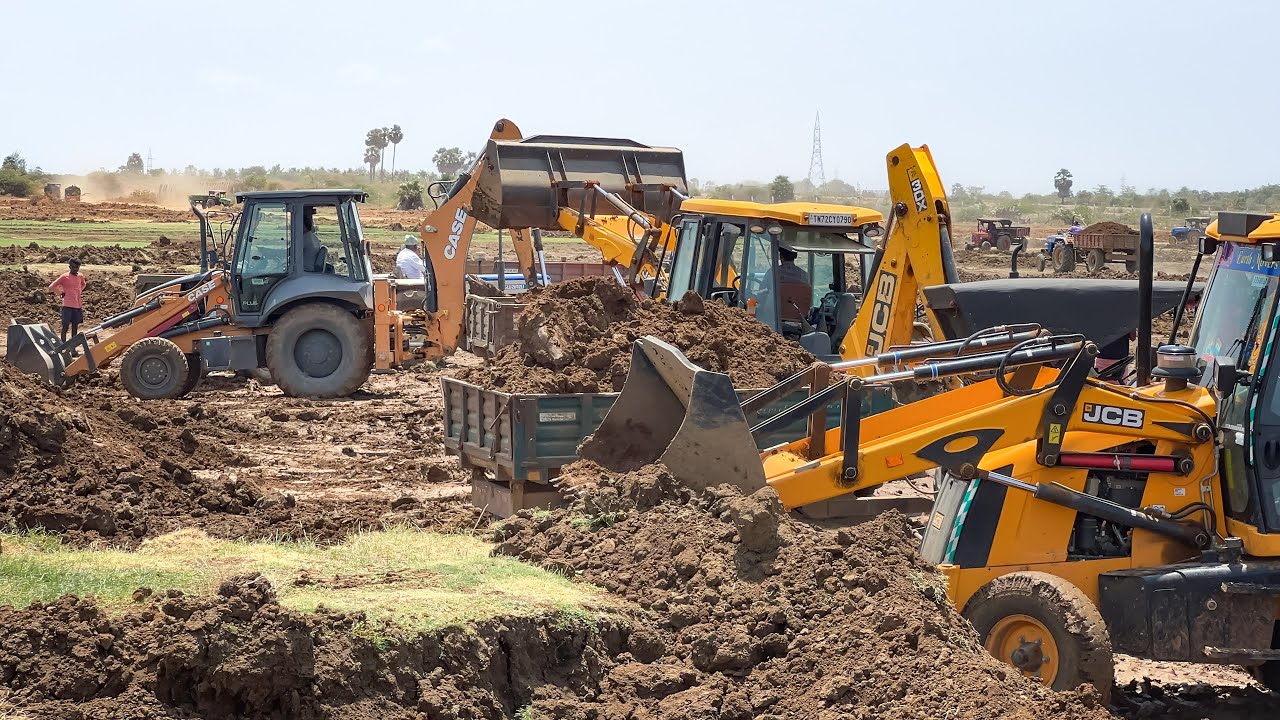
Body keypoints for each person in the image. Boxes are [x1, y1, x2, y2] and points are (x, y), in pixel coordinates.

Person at [49, 258, 87, 343]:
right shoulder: (65, 277)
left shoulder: (80, 276)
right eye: (73, 267)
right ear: (69, 267)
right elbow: (52, 286)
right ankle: (62, 346)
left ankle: (73, 348)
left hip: (77, 306)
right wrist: (60, 293)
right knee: (65, 327)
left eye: (76, 267)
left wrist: (79, 291)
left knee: (75, 328)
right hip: (67, 306)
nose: (75, 269)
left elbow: (84, 284)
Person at [302, 207, 323, 271]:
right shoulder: (313, 237)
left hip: (305, 269)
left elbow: (290, 252)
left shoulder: (304, 239)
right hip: (310, 268)